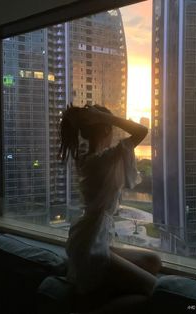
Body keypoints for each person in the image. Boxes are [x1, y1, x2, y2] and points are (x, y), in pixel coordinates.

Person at [59, 104, 161, 314]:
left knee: (154, 261)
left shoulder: (89, 159)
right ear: (107, 130)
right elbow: (141, 131)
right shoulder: (103, 160)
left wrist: (103, 119)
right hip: (91, 243)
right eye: (111, 127)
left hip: (92, 236)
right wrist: (109, 118)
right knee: (154, 291)